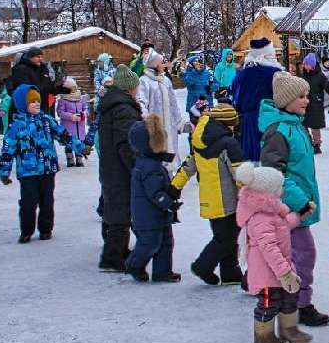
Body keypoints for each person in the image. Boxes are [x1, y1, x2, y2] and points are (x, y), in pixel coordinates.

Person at [260, 71, 329, 328]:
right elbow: (274, 173)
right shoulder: (279, 132)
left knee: (293, 255)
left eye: (306, 95)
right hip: (290, 209)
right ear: (285, 101)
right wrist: (299, 201)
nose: (306, 100)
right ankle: (300, 304)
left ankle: (290, 299)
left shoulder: (295, 126)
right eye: (300, 96)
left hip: (298, 206)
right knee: (304, 254)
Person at [237, 161, 307, 343]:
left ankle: (288, 330)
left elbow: (283, 225)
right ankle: (264, 338)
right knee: (269, 303)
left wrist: (299, 215)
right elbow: (269, 249)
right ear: (268, 191)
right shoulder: (260, 217)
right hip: (268, 273)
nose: (282, 189)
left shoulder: (271, 210)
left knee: (289, 297)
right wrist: (285, 274)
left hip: (280, 268)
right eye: (279, 186)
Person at [0, 85, 84, 243]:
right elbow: (7, 150)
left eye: (38, 101)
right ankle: (26, 230)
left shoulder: (46, 120)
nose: (37, 104)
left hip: (47, 169)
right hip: (27, 171)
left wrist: (80, 147)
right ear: (22, 104)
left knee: (47, 200)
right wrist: (4, 171)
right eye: (32, 101)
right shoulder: (16, 126)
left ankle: (46, 229)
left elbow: (63, 134)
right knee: (28, 202)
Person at [173, 103, 244, 286]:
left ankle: (230, 273)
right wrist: (248, 191)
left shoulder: (199, 143)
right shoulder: (228, 144)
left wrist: (174, 187)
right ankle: (202, 266)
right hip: (228, 200)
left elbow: (188, 167)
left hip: (209, 199)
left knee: (227, 237)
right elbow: (238, 173)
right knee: (226, 239)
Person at [123, 114, 181, 282]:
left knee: (166, 243)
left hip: (158, 215)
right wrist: (168, 203)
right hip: (148, 216)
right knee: (150, 243)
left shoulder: (150, 162)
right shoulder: (149, 167)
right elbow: (155, 193)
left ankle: (162, 272)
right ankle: (134, 265)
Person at [97, 66, 143, 271]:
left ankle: (118, 251)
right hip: (119, 166)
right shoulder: (123, 109)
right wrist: (136, 165)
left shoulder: (114, 104)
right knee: (120, 211)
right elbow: (127, 141)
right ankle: (112, 257)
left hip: (111, 164)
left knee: (116, 207)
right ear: (129, 89)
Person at [232, 38, 281, 161]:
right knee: (271, 156)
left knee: (252, 158)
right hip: (272, 118)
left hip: (249, 120)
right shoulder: (277, 73)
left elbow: (236, 100)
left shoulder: (242, 75)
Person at [136, 50, 183, 159]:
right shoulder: (144, 81)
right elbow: (140, 103)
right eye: (161, 63)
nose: (164, 65)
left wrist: (179, 122)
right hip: (155, 129)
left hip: (169, 127)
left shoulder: (165, 80)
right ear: (154, 65)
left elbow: (173, 104)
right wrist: (149, 122)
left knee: (171, 156)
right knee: (157, 158)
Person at [298, 53, 329, 154]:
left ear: (312, 65)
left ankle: (317, 144)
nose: (305, 66)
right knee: (303, 125)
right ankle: (308, 141)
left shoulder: (320, 76)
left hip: (316, 104)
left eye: (307, 64)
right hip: (302, 105)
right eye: (305, 64)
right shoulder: (301, 76)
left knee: (315, 126)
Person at [7, 47, 56, 117]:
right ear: (30, 57)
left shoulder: (44, 69)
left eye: (41, 57)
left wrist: (59, 88)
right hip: (28, 108)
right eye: (38, 57)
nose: (41, 59)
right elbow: (26, 89)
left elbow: (48, 86)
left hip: (42, 106)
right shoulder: (21, 69)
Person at [55, 78, 90, 167]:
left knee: (79, 142)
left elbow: (85, 108)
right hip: (68, 127)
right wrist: (71, 116)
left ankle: (79, 159)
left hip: (80, 126)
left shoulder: (80, 98)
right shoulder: (63, 100)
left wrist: (84, 114)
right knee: (69, 144)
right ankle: (70, 159)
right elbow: (60, 112)